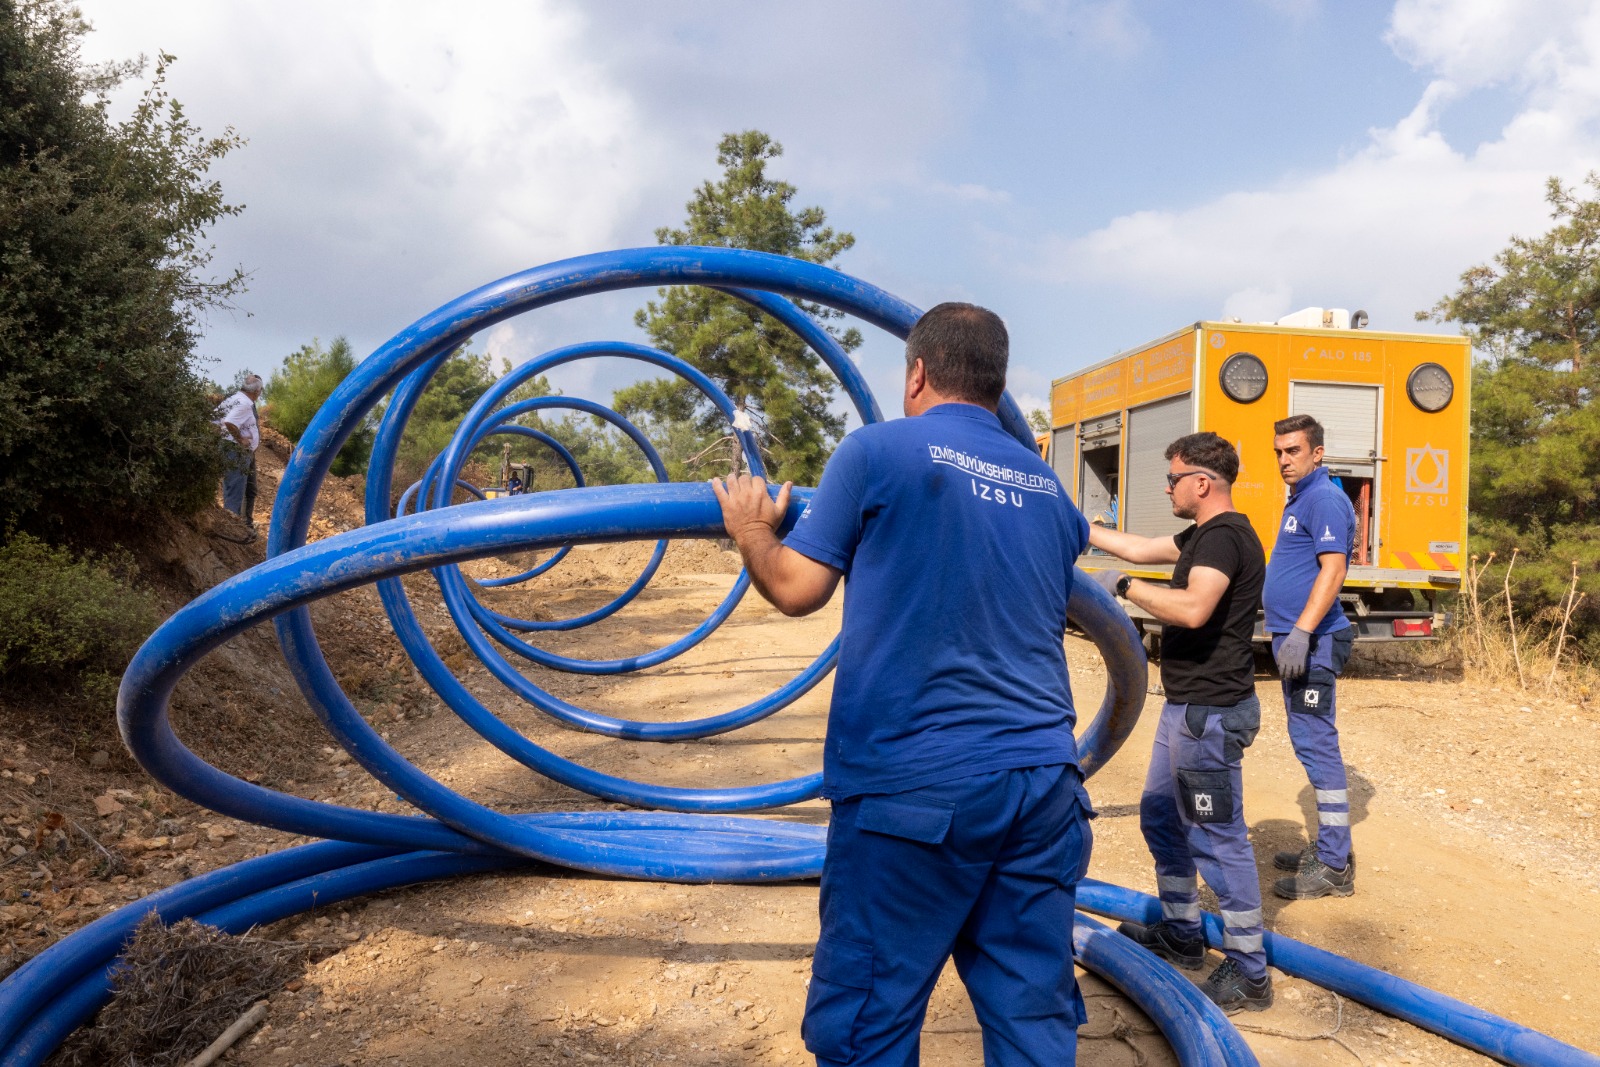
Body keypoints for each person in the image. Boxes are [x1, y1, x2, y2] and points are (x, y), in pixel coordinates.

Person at [711, 302, 1095, 1066]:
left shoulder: (878, 451)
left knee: (867, 1022)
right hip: (1046, 784)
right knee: (1031, 1014)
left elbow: (795, 587)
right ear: (997, 383)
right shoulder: (1052, 491)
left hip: (914, 793)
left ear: (917, 372)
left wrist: (754, 528)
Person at [1084, 432, 1273, 1014]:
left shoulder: (1224, 538)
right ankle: (1183, 934)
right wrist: (1078, 529)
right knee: (1162, 817)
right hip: (1185, 708)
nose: (1167, 487)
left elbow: (1192, 609)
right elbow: (1141, 548)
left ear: (1202, 482)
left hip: (1209, 716)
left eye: (1172, 479)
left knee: (1216, 839)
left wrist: (1120, 588)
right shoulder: (1202, 535)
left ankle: (1250, 972)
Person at [1265, 414, 1359, 899]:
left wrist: (1301, 631)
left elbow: (1334, 569)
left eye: (1293, 451)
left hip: (1313, 644)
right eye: (1279, 451)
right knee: (1310, 744)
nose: (1284, 459)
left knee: (1317, 747)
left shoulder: (1322, 498)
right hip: (1299, 641)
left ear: (1317, 453)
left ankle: (1334, 866)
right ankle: (1330, 847)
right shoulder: (1302, 496)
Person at [213, 375, 263, 537]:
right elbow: (230, 422)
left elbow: (214, 420)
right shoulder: (244, 404)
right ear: (257, 391)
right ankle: (231, 530)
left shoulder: (233, 399)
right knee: (235, 490)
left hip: (241, 451)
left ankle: (244, 525)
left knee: (249, 489)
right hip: (236, 451)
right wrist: (240, 439)